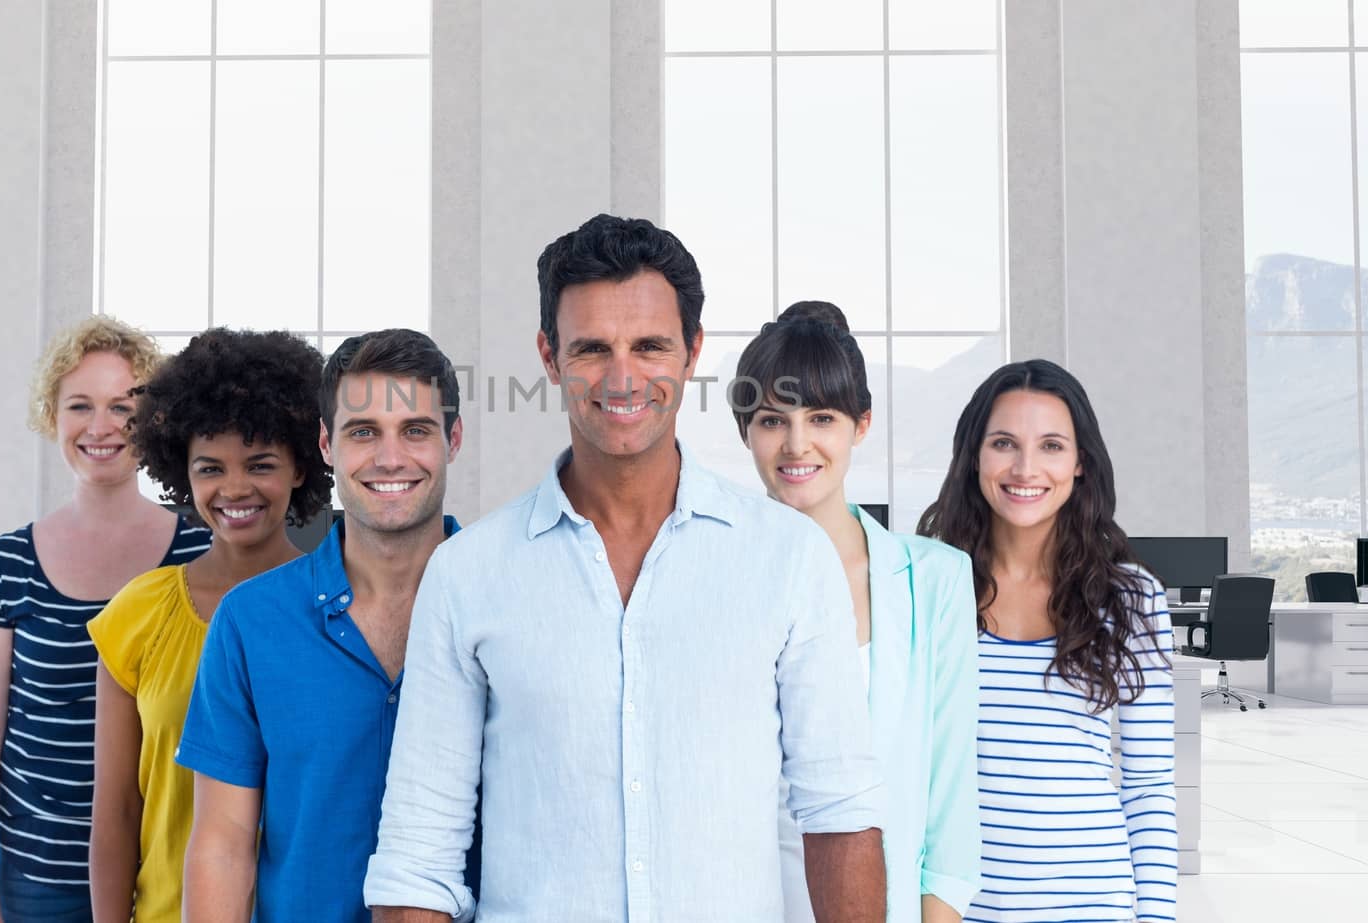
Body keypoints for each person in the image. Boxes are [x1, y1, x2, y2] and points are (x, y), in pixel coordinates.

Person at [365, 215, 886, 923]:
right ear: (549, 357)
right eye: (591, 348)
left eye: (649, 346)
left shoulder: (788, 558)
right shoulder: (468, 574)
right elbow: (418, 852)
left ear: (692, 351)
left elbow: (840, 811)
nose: (622, 376)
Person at [176, 329, 465, 923]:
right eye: (363, 432)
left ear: (452, 441)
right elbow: (222, 846)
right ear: (327, 446)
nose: (390, 459)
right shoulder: (250, 621)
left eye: (415, 430)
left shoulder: (510, 604)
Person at [0, 316, 210, 923]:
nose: (102, 427)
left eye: (123, 406)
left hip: (166, 873)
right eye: (80, 405)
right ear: (52, 416)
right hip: (37, 879)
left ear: (153, 420)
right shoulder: (7, 563)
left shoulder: (199, 554)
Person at [733, 300, 980, 923]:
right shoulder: (710, 577)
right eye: (770, 420)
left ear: (860, 425)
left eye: (822, 417)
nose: (797, 444)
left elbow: (951, 791)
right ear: (745, 431)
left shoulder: (934, 579)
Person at [917, 359, 1177, 923]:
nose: (1026, 467)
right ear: (974, 456)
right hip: (958, 910)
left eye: (1052, 446)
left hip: (1094, 904)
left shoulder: (1130, 598)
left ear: (1081, 462)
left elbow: (1150, 787)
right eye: (1004, 442)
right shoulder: (929, 584)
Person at [86, 328, 332, 922]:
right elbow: (117, 810)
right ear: (182, 473)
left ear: (301, 466)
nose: (235, 488)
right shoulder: (137, 615)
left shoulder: (338, 608)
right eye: (210, 468)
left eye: (261, 464)